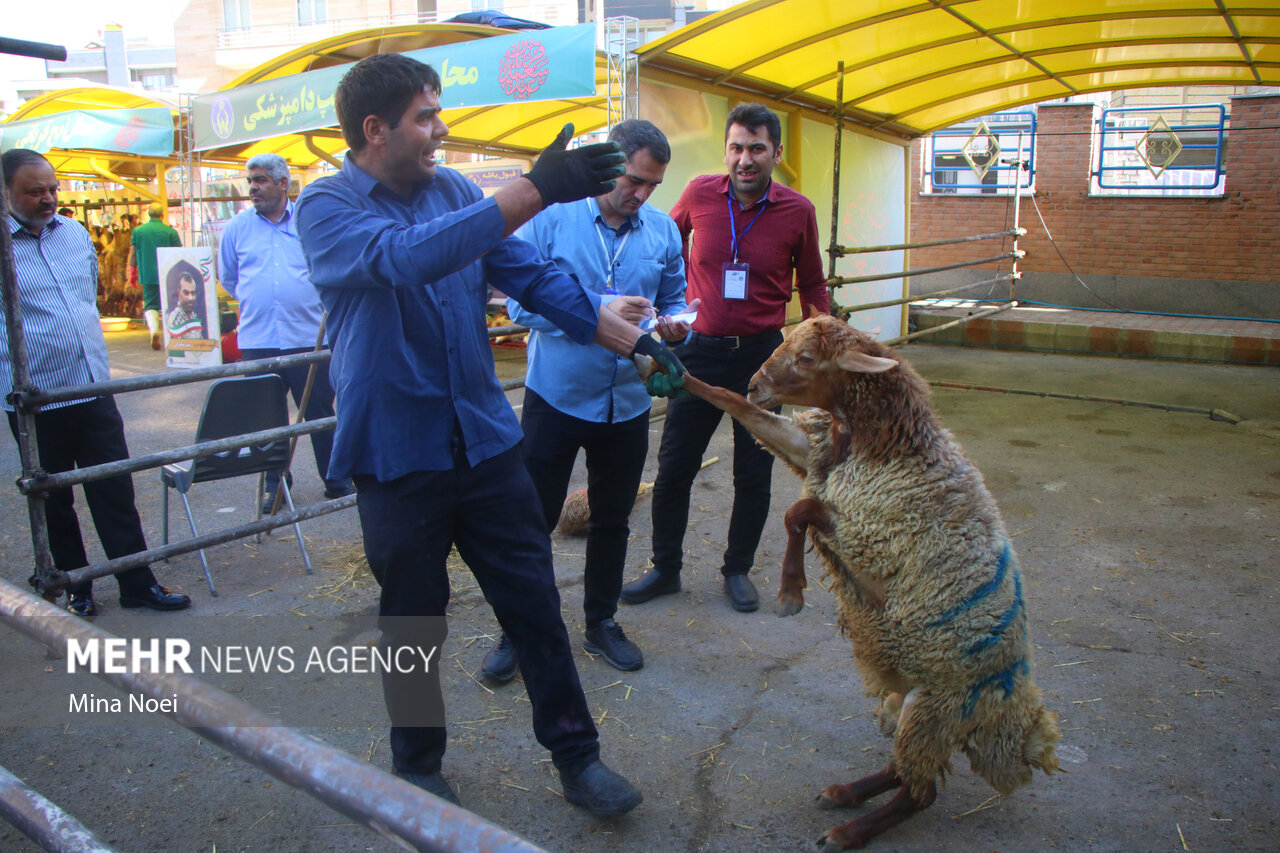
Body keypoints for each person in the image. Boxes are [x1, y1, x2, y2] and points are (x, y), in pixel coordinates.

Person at [294, 53, 684, 814]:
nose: (440, 129)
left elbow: (529, 275)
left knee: (534, 600)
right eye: (424, 116)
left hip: (483, 438)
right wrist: (538, 187)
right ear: (375, 129)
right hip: (396, 453)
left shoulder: (451, 189)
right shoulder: (327, 207)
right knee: (413, 615)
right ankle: (416, 764)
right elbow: (405, 260)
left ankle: (579, 758)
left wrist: (627, 337)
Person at [481, 119, 694, 681]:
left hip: (627, 402)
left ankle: (600, 622)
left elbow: (676, 299)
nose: (642, 194)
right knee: (533, 520)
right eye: (635, 180)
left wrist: (676, 327)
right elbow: (520, 307)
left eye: (653, 185)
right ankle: (517, 630)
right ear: (607, 164)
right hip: (556, 397)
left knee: (613, 520)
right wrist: (597, 307)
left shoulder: (663, 232)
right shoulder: (552, 217)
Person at [621, 103, 831, 614]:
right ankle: (665, 568)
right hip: (696, 355)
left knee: (753, 474)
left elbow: (813, 282)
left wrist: (822, 340)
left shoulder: (797, 211)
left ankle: (736, 569)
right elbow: (662, 242)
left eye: (757, 148)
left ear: (776, 154)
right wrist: (656, 314)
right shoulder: (698, 194)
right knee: (674, 469)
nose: (745, 159)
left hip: (761, 360)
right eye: (736, 147)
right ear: (726, 152)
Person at [1, 149, 191, 618]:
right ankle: (75, 585)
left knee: (113, 488)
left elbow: (85, 296)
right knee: (53, 497)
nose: (48, 199)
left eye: (52, 189)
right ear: (5, 192)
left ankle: (137, 581)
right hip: (35, 398)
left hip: (91, 386)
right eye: (34, 192)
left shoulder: (74, 234)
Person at [218, 152, 353, 512]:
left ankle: (336, 478)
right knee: (266, 418)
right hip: (258, 340)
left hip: (309, 337)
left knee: (321, 410)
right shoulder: (237, 228)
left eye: (260, 180)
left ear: (282, 184)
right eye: (250, 181)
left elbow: (326, 266)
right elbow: (230, 278)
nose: (253, 188)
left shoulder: (307, 222)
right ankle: (276, 484)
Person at [128, 202, 182, 350]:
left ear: (148, 214)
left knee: (151, 304)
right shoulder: (170, 232)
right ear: (162, 215)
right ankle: (172, 334)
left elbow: (133, 253)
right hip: (169, 274)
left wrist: (132, 273)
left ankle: (154, 330)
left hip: (148, 274)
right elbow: (180, 254)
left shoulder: (138, 231)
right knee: (171, 303)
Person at [166, 270, 206, 339]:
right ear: (179, 294)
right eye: (186, 293)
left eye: (193, 293)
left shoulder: (194, 316)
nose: (190, 298)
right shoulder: (174, 320)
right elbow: (178, 347)